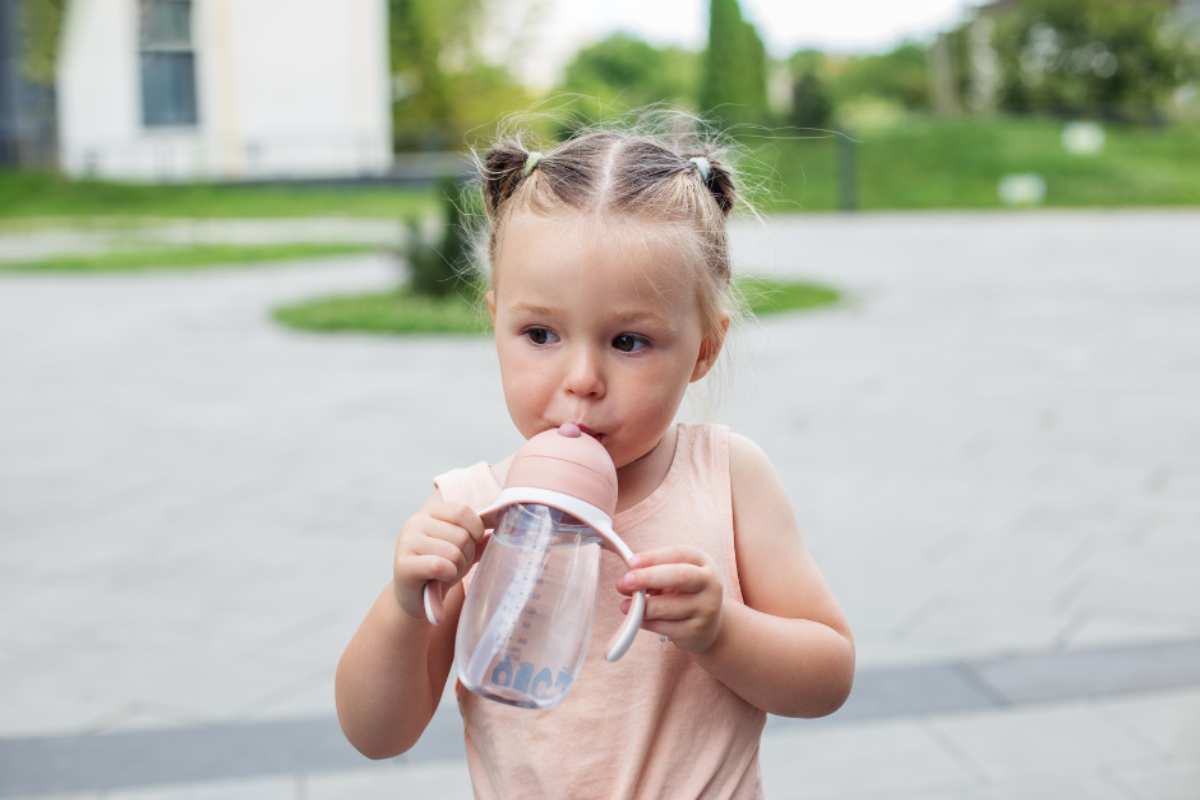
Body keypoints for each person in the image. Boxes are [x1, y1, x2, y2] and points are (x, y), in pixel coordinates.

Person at [335, 120, 855, 799]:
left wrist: (723, 629)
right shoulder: (473, 510)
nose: (582, 378)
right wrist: (405, 606)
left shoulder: (725, 477)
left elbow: (828, 676)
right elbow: (377, 733)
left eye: (629, 341)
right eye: (540, 334)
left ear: (703, 349)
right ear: (495, 324)